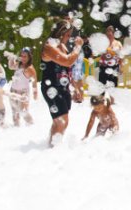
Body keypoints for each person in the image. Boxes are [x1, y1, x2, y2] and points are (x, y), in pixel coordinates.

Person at [40, 19, 84, 147]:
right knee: (62, 121)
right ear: (60, 33)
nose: (69, 38)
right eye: (67, 35)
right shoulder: (49, 47)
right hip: (51, 87)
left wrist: (75, 88)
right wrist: (78, 46)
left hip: (62, 88)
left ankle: (50, 146)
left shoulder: (62, 47)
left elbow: (67, 70)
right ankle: (53, 149)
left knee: (58, 121)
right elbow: (68, 61)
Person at [7, 47, 38, 126]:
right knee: (14, 112)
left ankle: (31, 126)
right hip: (13, 91)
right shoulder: (18, 65)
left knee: (23, 111)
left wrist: (35, 93)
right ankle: (16, 129)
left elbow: (34, 81)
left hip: (23, 92)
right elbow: (10, 67)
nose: (23, 58)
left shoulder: (30, 68)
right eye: (22, 56)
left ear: (29, 57)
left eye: (25, 56)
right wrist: (11, 58)